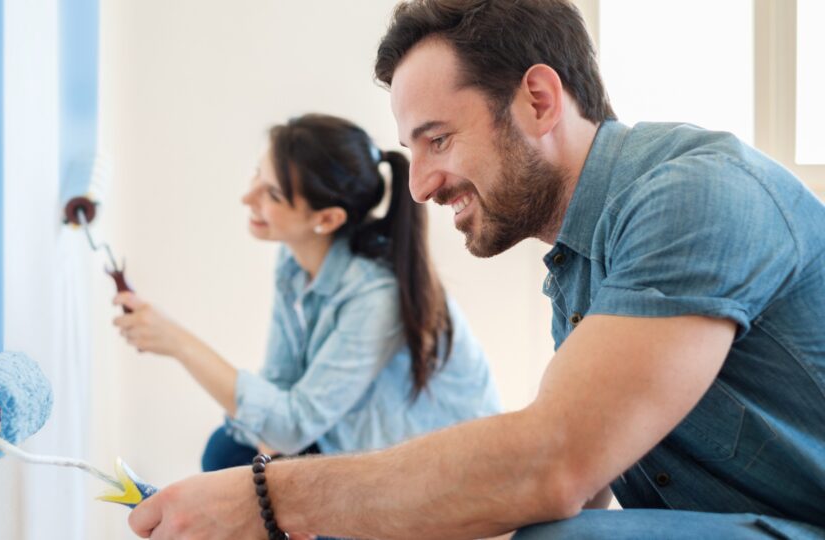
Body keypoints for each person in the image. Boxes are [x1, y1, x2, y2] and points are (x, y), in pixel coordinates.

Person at [124, 1, 825, 538]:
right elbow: (578, 487)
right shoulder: (576, 270)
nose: (422, 185)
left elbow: (553, 463)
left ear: (539, 100)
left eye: (439, 140)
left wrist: (269, 498)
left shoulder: (696, 195)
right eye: (412, 149)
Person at [113, 113, 500, 472]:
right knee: (229, 451)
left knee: (238, 461)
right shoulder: (294, 262)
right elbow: (281, 386)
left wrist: (178, 343)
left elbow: (292, 426)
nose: (248, 198)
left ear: (327, 219)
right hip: (347, 439)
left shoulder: (377, 298)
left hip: (431, 476)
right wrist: (274, 432)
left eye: (273, 195)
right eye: (256, 176)